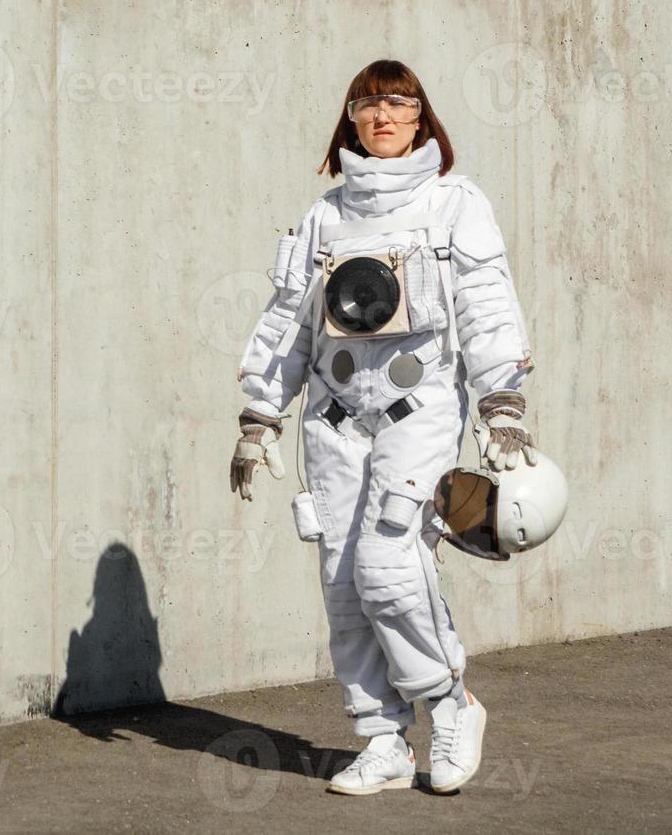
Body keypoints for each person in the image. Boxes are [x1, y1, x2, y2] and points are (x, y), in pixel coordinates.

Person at [229, 58, 538, 795]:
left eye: (399, 102)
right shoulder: (325, 215)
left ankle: (450, 703)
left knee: (390, 570)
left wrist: (500, 405)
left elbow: (488, 304)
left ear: (423, 117)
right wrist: (260, 412)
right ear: (351, 120)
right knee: (342, 584)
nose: (383, 116)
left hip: (419, 409)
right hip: (333, 419)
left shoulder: (455, 203)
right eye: (368, 105)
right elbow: (288, 321)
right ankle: (383, 741)